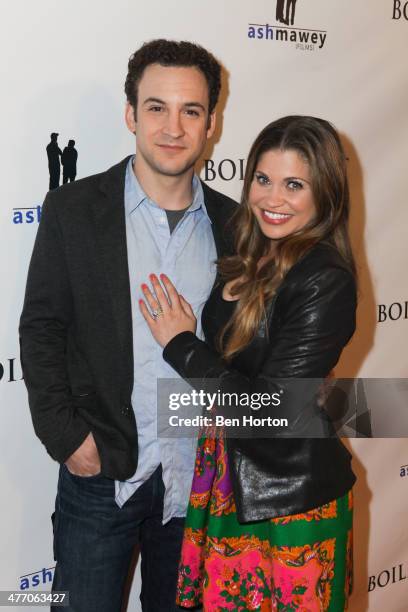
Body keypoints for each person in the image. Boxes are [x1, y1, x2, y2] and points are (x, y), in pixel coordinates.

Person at [19, 39, 237, 612]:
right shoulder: (73, 210)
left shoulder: (237, 225)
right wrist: (68, 438)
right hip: (102, 474)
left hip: (196, 484)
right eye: (156, 107)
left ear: (211, 122)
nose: (172, 126)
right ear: (130, 114)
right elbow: (41, 328)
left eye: (190, 110)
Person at [140, 116, 357, 611]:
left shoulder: (325, 277)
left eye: (294, 185)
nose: (272, 199)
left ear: (325, 192)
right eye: (263, 180)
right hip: (226, 476)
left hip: (287, 498)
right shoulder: (249, 254)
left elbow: (271, 410)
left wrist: (180, 344)